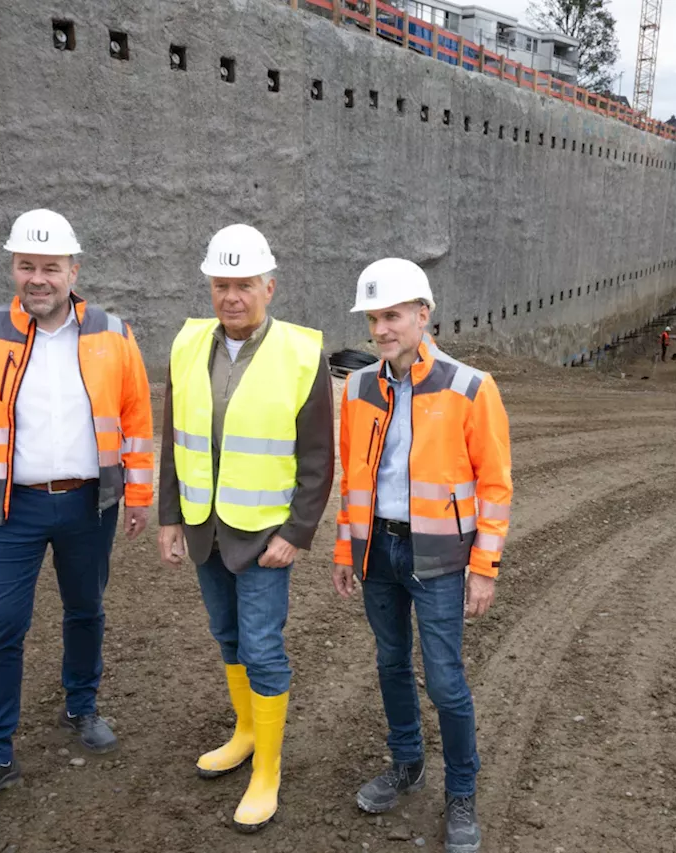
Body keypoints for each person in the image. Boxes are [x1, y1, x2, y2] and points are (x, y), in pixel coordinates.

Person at [0, 209, 154, 815]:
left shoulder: (112, 331)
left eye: (50, 267)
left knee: (86, 610)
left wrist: (137, 495)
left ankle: (81, 705)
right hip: (6, 510)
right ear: (13, 267)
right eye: (27, 266)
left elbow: (135, 418)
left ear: (72, 270)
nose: (38, 278)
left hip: (89, 504)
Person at [157, 224, 334, 832]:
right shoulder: (187, 347)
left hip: (264, 535)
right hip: (205, 524)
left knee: (262, 646)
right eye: (221, 284)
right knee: (227, 635)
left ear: (270, 287)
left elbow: (317, 458)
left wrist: (298, 531)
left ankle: (268, 769)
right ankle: (244, 733)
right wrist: (170, 516)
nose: (231, 296)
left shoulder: (301, 353)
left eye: (244, 285)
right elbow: (172, 441)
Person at [332, 258, 512, 853]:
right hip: (378, 550)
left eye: (392, 315)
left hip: (439, 556)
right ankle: (406, 763)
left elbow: (495, 486)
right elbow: (352, 478)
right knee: (389, 663)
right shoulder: (358, 387)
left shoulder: (470, 387)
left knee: (445, 679)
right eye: (374, 318)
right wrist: (345, 550)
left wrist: (483, 568)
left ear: (422, 315)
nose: (382, 329)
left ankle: (461, 793)